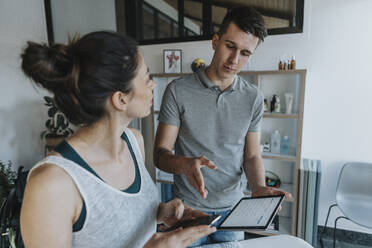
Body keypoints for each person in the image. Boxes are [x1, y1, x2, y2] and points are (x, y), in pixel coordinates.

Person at [20, 31, 216, 248]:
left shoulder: (134, 142)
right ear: (121, 99)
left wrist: (162, 213)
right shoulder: (51, 184)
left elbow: (117, 221)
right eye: (147, 78)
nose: (152, 85)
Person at [153, 7, 291, 246]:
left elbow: (252, 154)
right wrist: (186, 164)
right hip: (188, 211)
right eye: (230, 46)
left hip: (234, 211)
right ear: (215, 41)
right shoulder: (178, 90)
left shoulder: (253, 97)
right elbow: (160, 154)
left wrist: (258, 187)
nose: (235, 60)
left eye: (245, 53)